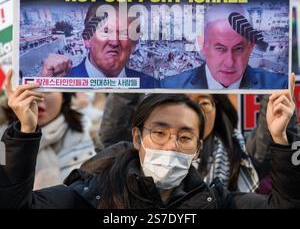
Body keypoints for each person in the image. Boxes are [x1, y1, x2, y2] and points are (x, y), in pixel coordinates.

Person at [0, 72, 299, 209]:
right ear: (137, 136)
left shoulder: (217, 201)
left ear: (197, 146)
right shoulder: (90, 196)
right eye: (159, 132)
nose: (170, 144)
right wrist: (25, 132)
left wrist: (282, 138)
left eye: (184, 136)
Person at [0, 73, 95, 190]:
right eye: (29, 90)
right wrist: (25, 133)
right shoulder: (3, 140)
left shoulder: (90, 131)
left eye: (48, 90)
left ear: (64, 97)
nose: (38, 97)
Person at [161, 4, 288, 90]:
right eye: (220, 48)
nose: (229, 62)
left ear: (251, 47)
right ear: (202, 45)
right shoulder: (170, 87)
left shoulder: (279, 86)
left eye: (238, 49)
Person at [41, 4, 156, 89]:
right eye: (105, 31)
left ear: (134, 45)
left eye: (124, 33)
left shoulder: (152, 86)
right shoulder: (58, 85)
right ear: (87, 38)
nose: (114, 42)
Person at [188, 93, 259, 192]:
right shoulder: (163, 157)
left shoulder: (237, 152)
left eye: (204, 103)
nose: (196, 112)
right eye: (186, 103)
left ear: (216, 108)